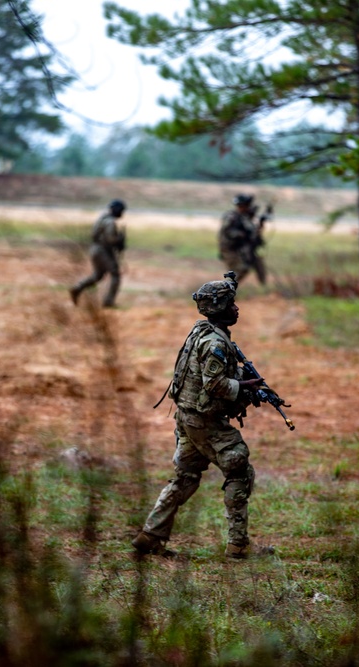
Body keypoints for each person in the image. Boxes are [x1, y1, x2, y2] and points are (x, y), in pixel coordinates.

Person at [132, 272, 266, 559]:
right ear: (219, 309)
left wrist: (243, 381)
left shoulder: (201, 332)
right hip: (204, 421)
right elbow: (214, 384)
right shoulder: (214, 343)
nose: (236, 308)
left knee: (186, 476)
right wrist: (245, 386)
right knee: (239, 469)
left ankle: (150, 536)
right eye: (231, 304)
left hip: (188, 418)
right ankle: (238, 545)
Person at [70, 199, 127, 307]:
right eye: (121, 210)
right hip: (102, 250)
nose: (122, 213)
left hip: (96, 249)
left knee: (98, 275)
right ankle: (108, 302)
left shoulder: (102, 219)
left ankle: (77, 288)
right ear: (117, 210)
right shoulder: (110, 222)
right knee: (115, 274)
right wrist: (120, 240)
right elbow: (111, 239)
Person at [218, 194, 262, 285]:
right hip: (230, 249)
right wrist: (241, 234)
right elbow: (227, 232)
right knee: (238, 270)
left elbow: (251, 232)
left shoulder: (244, 217)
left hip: (239, 249)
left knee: (245, 268)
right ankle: (224, 290)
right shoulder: (232, 217)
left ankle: (228, 289)